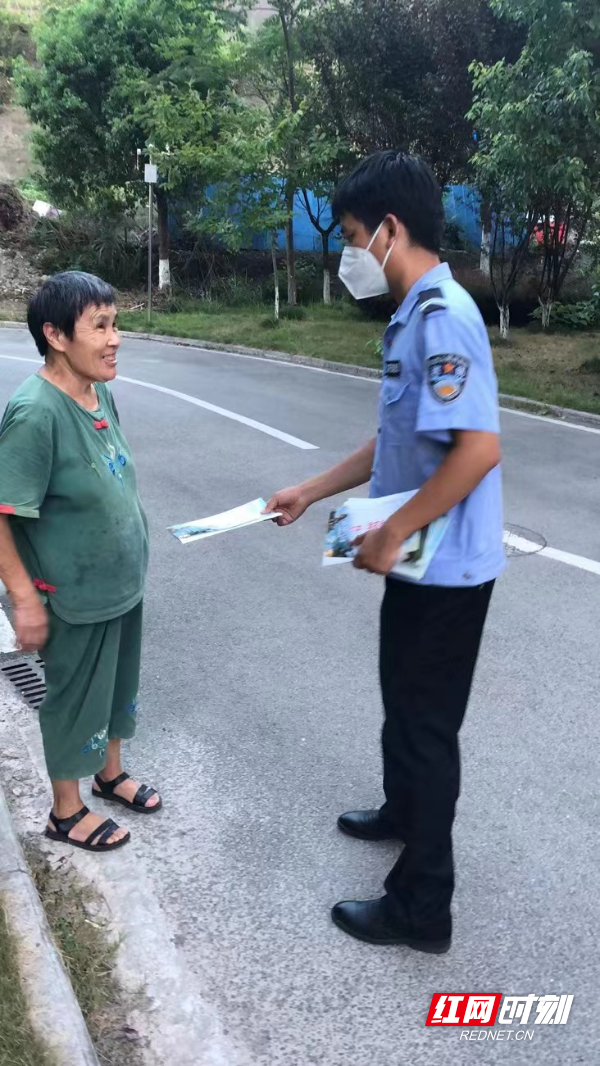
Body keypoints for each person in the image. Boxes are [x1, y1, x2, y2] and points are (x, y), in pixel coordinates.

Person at [266, 151, 505, 954]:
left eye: (351, 235)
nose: (348, 253)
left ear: (390, 230)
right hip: (417, 559)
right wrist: (311, 490)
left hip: (446, 567)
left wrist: (396, 530)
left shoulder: (444, 315)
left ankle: (422, 909)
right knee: (403, 705)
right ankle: (405, 812)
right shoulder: (411, 316)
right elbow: (398, 439)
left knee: (426, 729)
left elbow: (477, 450)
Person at [0, 271, 160, 853]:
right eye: (100, 326)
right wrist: (24, 599)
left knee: (115, 686)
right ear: (56, 335)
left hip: (117, 584)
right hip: (69, 592)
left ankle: (109, 774)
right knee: (74, 697)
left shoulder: (98, 392)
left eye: (115, 324)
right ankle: (65, 813)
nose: (115, 338)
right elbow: (2, 511)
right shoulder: (35, 413)